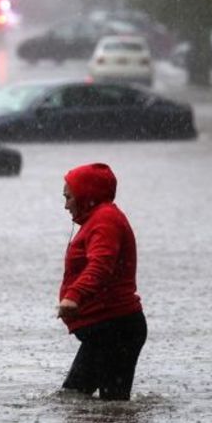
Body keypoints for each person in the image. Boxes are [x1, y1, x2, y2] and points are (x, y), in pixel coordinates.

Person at [57, 163, 147, 401]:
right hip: (109, 328)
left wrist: (74, 296)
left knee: (104, 406)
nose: (65, 205)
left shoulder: (105, 220)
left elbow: (101, 264)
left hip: (116, 328)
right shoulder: (99, 219)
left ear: (86, 195)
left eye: (69, 197)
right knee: (76, 400)